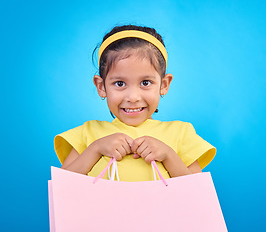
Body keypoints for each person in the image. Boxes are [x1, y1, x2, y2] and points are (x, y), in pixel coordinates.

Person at [54, 24, 216, 182]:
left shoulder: (181, 133)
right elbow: (62, 187)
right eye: (119, 83)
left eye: (145, 83)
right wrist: (95, 149)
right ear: (101, 87)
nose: (132, 97)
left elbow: (196, 193)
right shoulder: (88, 133)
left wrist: (168, 155)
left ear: (164, 85)